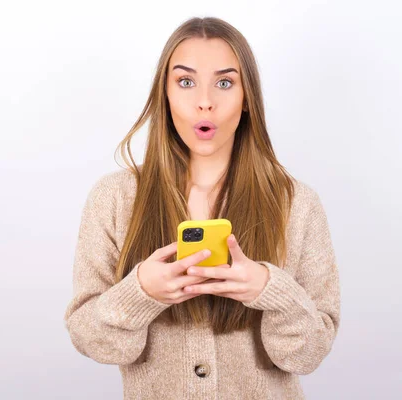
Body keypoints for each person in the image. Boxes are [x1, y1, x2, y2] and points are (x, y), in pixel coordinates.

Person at [63, 16, 340, 400]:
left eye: (224, 83)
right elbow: (92, 340)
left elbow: (307, 355)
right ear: (165, 94)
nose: (204, 102)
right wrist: (141, 291)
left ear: (247, 100)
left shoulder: (297, 203)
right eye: (186, 81)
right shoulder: (113, 198)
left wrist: (269, 289)